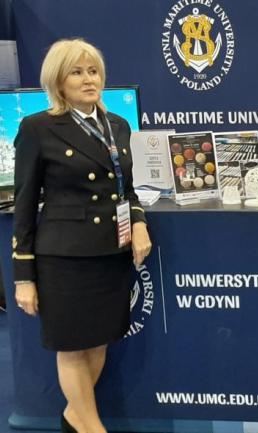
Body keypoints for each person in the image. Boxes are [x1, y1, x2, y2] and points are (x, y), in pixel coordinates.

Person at [12, 39, 151, 433]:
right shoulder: (38, 128)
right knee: (72, 346)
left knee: (98, 341)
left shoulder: (118, 125)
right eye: (77, 72)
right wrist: (23, 277)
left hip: (110, 253)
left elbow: (126, 189)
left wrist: (139, 221)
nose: (89, 79)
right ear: (58, 81)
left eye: (93, 71)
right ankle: (92, 428)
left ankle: (75, 419)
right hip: (65, 258)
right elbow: (24, 205)